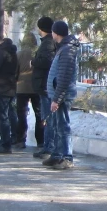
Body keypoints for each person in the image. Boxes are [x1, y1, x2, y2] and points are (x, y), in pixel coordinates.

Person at [43, 21, 78, 169]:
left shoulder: (67, 50)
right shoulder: (63, 48)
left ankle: (66, 157)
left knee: (63, 127)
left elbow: (64, 76)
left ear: (56, 33)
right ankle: (57, 155)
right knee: (57, 126)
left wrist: (57, 99)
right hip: (59, 94)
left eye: (52, 31)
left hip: (62, 96)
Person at [31, 17, 56, 160]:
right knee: (46, 117)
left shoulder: (48, 43)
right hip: (44, 85)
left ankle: (49, 147)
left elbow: (47, 61)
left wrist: (33, 62)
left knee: (48, 118)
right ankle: (47, 146)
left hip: (45, 85)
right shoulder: (48, 42)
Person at [14, 32, 41, 149]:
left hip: (21, 87)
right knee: (39, 114)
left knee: (21, 115)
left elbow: (15, 71)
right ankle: (40, 141)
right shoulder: (38, 53)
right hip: (36, 87)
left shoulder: (19, 54)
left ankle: (20, 140)